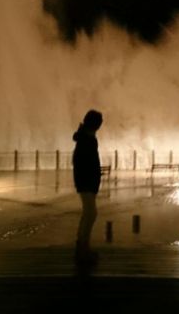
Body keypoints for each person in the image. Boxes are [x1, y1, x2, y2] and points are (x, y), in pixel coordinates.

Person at [72, 109, 103, 265]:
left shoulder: (85, 138)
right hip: (87, 182)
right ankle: (83, 250)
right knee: (91, 214)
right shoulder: (87, 139)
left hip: (86, 181)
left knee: (88, 214)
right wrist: (91, 180)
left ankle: (82, 247)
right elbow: (85, 162)